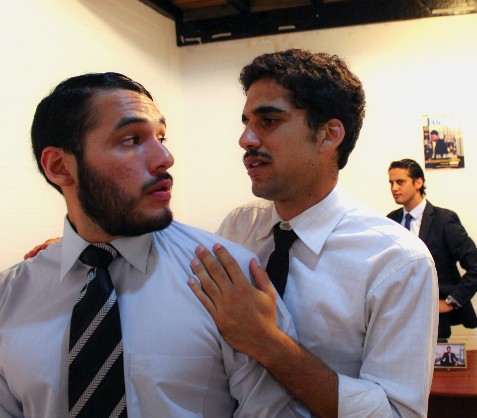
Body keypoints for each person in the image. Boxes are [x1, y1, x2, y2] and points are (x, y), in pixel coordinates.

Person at [0, 72, 305, 418]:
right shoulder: (10, 298)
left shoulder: (229, 279)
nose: (165, 157)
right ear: (60, 167)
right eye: (131, 140)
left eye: (161, 137)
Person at [187, 49, 439, 418]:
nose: (245, 139)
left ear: (328, 135)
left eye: (269, 120)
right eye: (246, 123)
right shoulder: (238, 229)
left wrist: (267, 342)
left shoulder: (397, 262)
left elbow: (395, 414)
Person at [387, 158, 477, 342]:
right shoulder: (391, 221)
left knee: (435, 361)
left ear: (418, 182)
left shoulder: (444, 220)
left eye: (400, 182)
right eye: (391, 183)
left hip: (434, 319)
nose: (394, 188)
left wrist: (450, 302)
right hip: (399, 317)